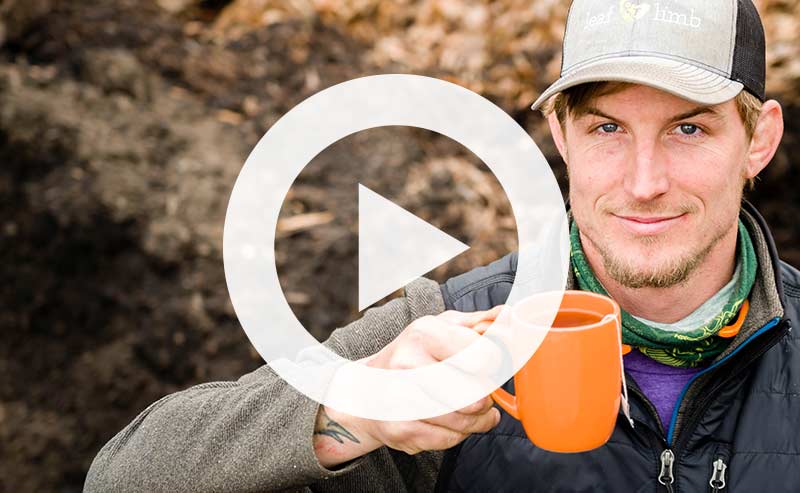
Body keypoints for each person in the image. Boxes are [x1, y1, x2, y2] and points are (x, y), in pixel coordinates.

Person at [85, 0, 800, 491]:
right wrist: (351, 410)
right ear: (561, 139)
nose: (644, 183)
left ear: (759, 140)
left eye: (689, 129)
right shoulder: (448, 338)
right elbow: (119, 475)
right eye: (607, 129)